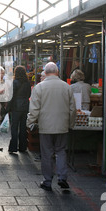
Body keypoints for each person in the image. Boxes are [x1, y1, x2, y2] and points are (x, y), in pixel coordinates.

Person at [26, 62, 76, 191]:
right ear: (57, 72)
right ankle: (62, 178)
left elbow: (34, 109)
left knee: (46, 153)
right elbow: (72, 109)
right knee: (61, 151)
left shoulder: (39, 87)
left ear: (45, 72)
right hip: (62, 126)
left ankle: (47, 181)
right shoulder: (67, 87)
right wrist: (70, 124)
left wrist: (30, 122)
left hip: (45, 126)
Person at [7, 65, 31, 154]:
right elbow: (29, 94)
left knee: (14, 127)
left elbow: (11, 96)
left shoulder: (15, 82)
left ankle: (13, 147)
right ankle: (22, 147)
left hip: (16, 107)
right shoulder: (27, 83)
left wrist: (8, 108)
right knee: (23, 127)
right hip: (25, 106)